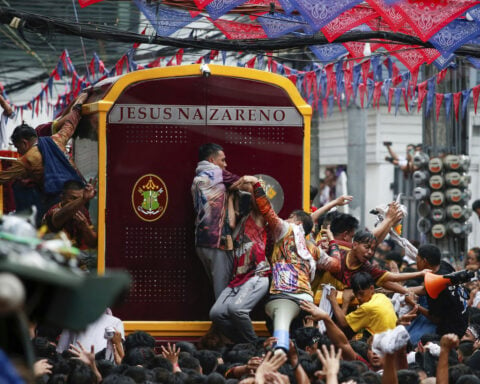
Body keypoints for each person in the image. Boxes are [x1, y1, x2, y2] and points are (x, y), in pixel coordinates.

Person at [233, 175, 317, 352]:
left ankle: (279, 358)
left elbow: (267, 211)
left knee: (279, 340)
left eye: (290, 217)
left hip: (283, 296)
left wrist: (256, 184)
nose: (285, 219)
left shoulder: (286, 229)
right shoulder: (313, 248)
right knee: (303, 341)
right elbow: (334, 264)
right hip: (307, 300)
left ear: (298, 222)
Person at [0, 92, 88, 221]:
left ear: (24, 143)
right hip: (82, 197)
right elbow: (71, 123)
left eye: (18, 147)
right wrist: (79, 103)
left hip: (60, 207)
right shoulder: (57, 139)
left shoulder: (25, 160)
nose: (18, 152)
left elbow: (2, 178)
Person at [209, 189, 270, 344]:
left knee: (237, 310)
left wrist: (251, 185)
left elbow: (261, 205)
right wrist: (229, 198)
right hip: (238, 280)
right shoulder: (236, 226)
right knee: (216, 314)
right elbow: (230, 220)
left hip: (256, 275)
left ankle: (254, 344)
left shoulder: (257, 219)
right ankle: (242, 342)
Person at [191, 143, 241, 299]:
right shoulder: (217, 173)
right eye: (223, 160)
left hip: (201, 241)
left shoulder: (198, 178)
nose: (225, 165)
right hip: (216, 241)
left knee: (216, 286)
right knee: (223, 292)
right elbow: (242, 182)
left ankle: (219, 322)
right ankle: (221, 322)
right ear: (212, 160)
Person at [315, 229, 427, 294]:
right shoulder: (338, 250)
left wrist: (420, 274)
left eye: (373, 249)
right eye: (366, 247)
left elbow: (391, 278)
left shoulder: (366, 268)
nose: (370, 252)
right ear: (355, 245)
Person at [415, 244, 469, 337]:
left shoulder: (433, 284)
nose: (416, 263)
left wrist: (415, 305)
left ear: (424, 261)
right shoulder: (444, 265)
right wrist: (403, 290)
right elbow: (424, 290)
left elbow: (436, 319)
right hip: (464, 318)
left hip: (452, 332)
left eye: (417, 260)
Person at [42, 180, 97, 270]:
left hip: (77, 265)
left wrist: (85, 227)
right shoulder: (54, 211)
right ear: (62, 197)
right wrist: (83, 199)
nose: (77, 203)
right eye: (73, 198)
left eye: (80, 199)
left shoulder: (82, 211)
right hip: (53, 265)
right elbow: (60, 216)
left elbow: (93, 243)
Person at [327, 272, 398, 338]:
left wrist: (334, 300)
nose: (358, 297)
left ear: (372, 288)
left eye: (361, 293)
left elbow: (343, 323)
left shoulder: (367, 307)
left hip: (382, 343)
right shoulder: (381, 297)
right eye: (356, 294)